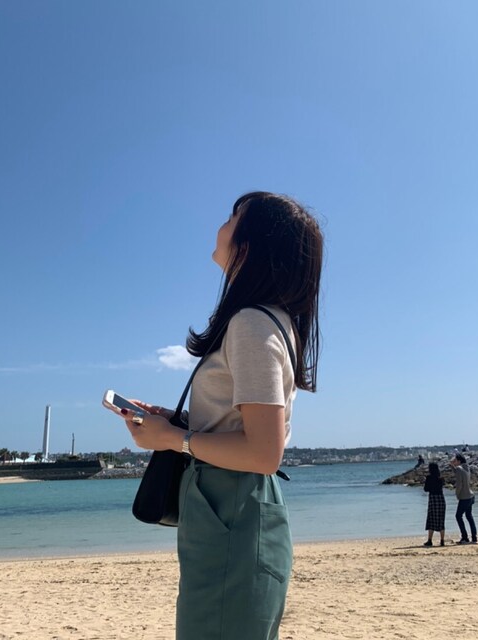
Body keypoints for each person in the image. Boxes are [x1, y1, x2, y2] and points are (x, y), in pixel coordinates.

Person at [117, 191, 323, 640]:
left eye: (233, 217)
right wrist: (180, 425)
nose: (221, 224)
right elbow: (245, 428)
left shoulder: (251, 323)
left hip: (232, 506)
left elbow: (264, 453)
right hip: (230, 508)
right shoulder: (267, 321)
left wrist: (172, 439)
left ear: (251, 245)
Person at [450, 453, 477, 544]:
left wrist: (457, 495)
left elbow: (459, 484)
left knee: (458, 516)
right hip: (471, 496)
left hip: (464, 497)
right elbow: (459, 473)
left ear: (459, 461)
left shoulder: (459, 468)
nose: (454, 461)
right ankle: (474, 537)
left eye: (455, 460)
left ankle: (464, 537)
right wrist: (452, 466)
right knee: (469, 516)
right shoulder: (467, 467)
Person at [423, 462, 445, 546]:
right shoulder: (441, 478)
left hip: (433, 499)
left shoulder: (429, 478)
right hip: (441, 499)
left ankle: (430, 540)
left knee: (431, 519)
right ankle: (442, 540)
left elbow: (426, 489)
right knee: (441, 520)